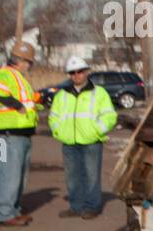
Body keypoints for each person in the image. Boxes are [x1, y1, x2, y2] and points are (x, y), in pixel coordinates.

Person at [48, 57, 117, 219]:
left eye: (79, 71)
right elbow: (53, 117)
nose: (76, 75)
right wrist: (58, 131)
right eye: (72, 72)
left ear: (86, 72)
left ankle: (92, 206)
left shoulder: (99, 93)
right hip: (69, 142)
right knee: (72, 176)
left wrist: (96, 131)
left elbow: (110, 116)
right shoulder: (62, 95)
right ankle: (76, 206)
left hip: (91, 141)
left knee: (92, 175)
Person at [0, 43, 41, 227]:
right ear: (21, 60)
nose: (29, 66)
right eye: (29, 62)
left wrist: (34, 105)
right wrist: (19, 106)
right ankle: (5, 213)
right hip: (9, 135)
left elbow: (23, 101)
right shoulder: (6, 74)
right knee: (11, 174)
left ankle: (12, 211)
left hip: (8, 134)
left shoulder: (17, 77)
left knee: (10, 173)